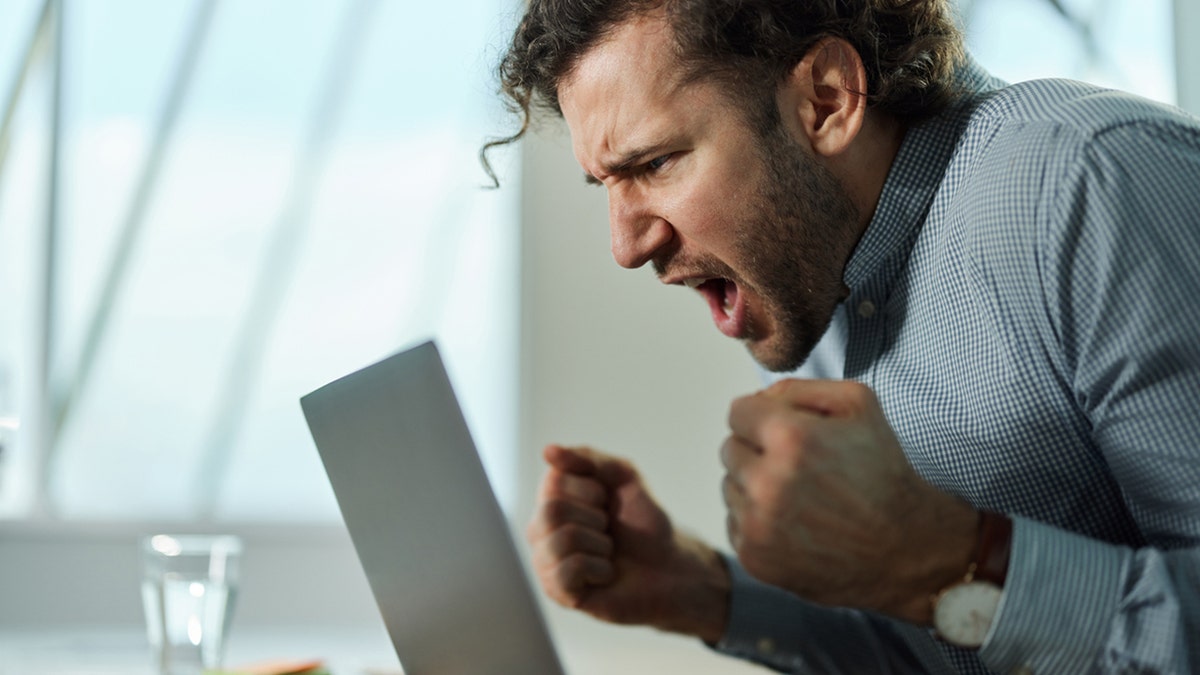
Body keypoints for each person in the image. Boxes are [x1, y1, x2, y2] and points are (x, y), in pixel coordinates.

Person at [487, 0, 1200, 672]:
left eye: (655, 163)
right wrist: (701, 591)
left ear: (826, 99)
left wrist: (948, 559)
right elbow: (947, 644)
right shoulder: (809, 265)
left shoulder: (1098, 184)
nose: (625, 245)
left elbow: (949, 586)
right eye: (604, 183)